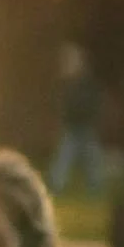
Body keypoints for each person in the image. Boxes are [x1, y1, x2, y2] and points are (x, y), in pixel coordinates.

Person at [49, 44, 106, 196]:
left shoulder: (85, 83)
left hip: (85, 125)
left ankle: (95, 187)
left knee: (92, 159)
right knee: (65, 157)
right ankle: (57, 185)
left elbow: (93, 102)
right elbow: (66, 105)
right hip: (73, 126)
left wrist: (91, 117)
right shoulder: (69, 84)